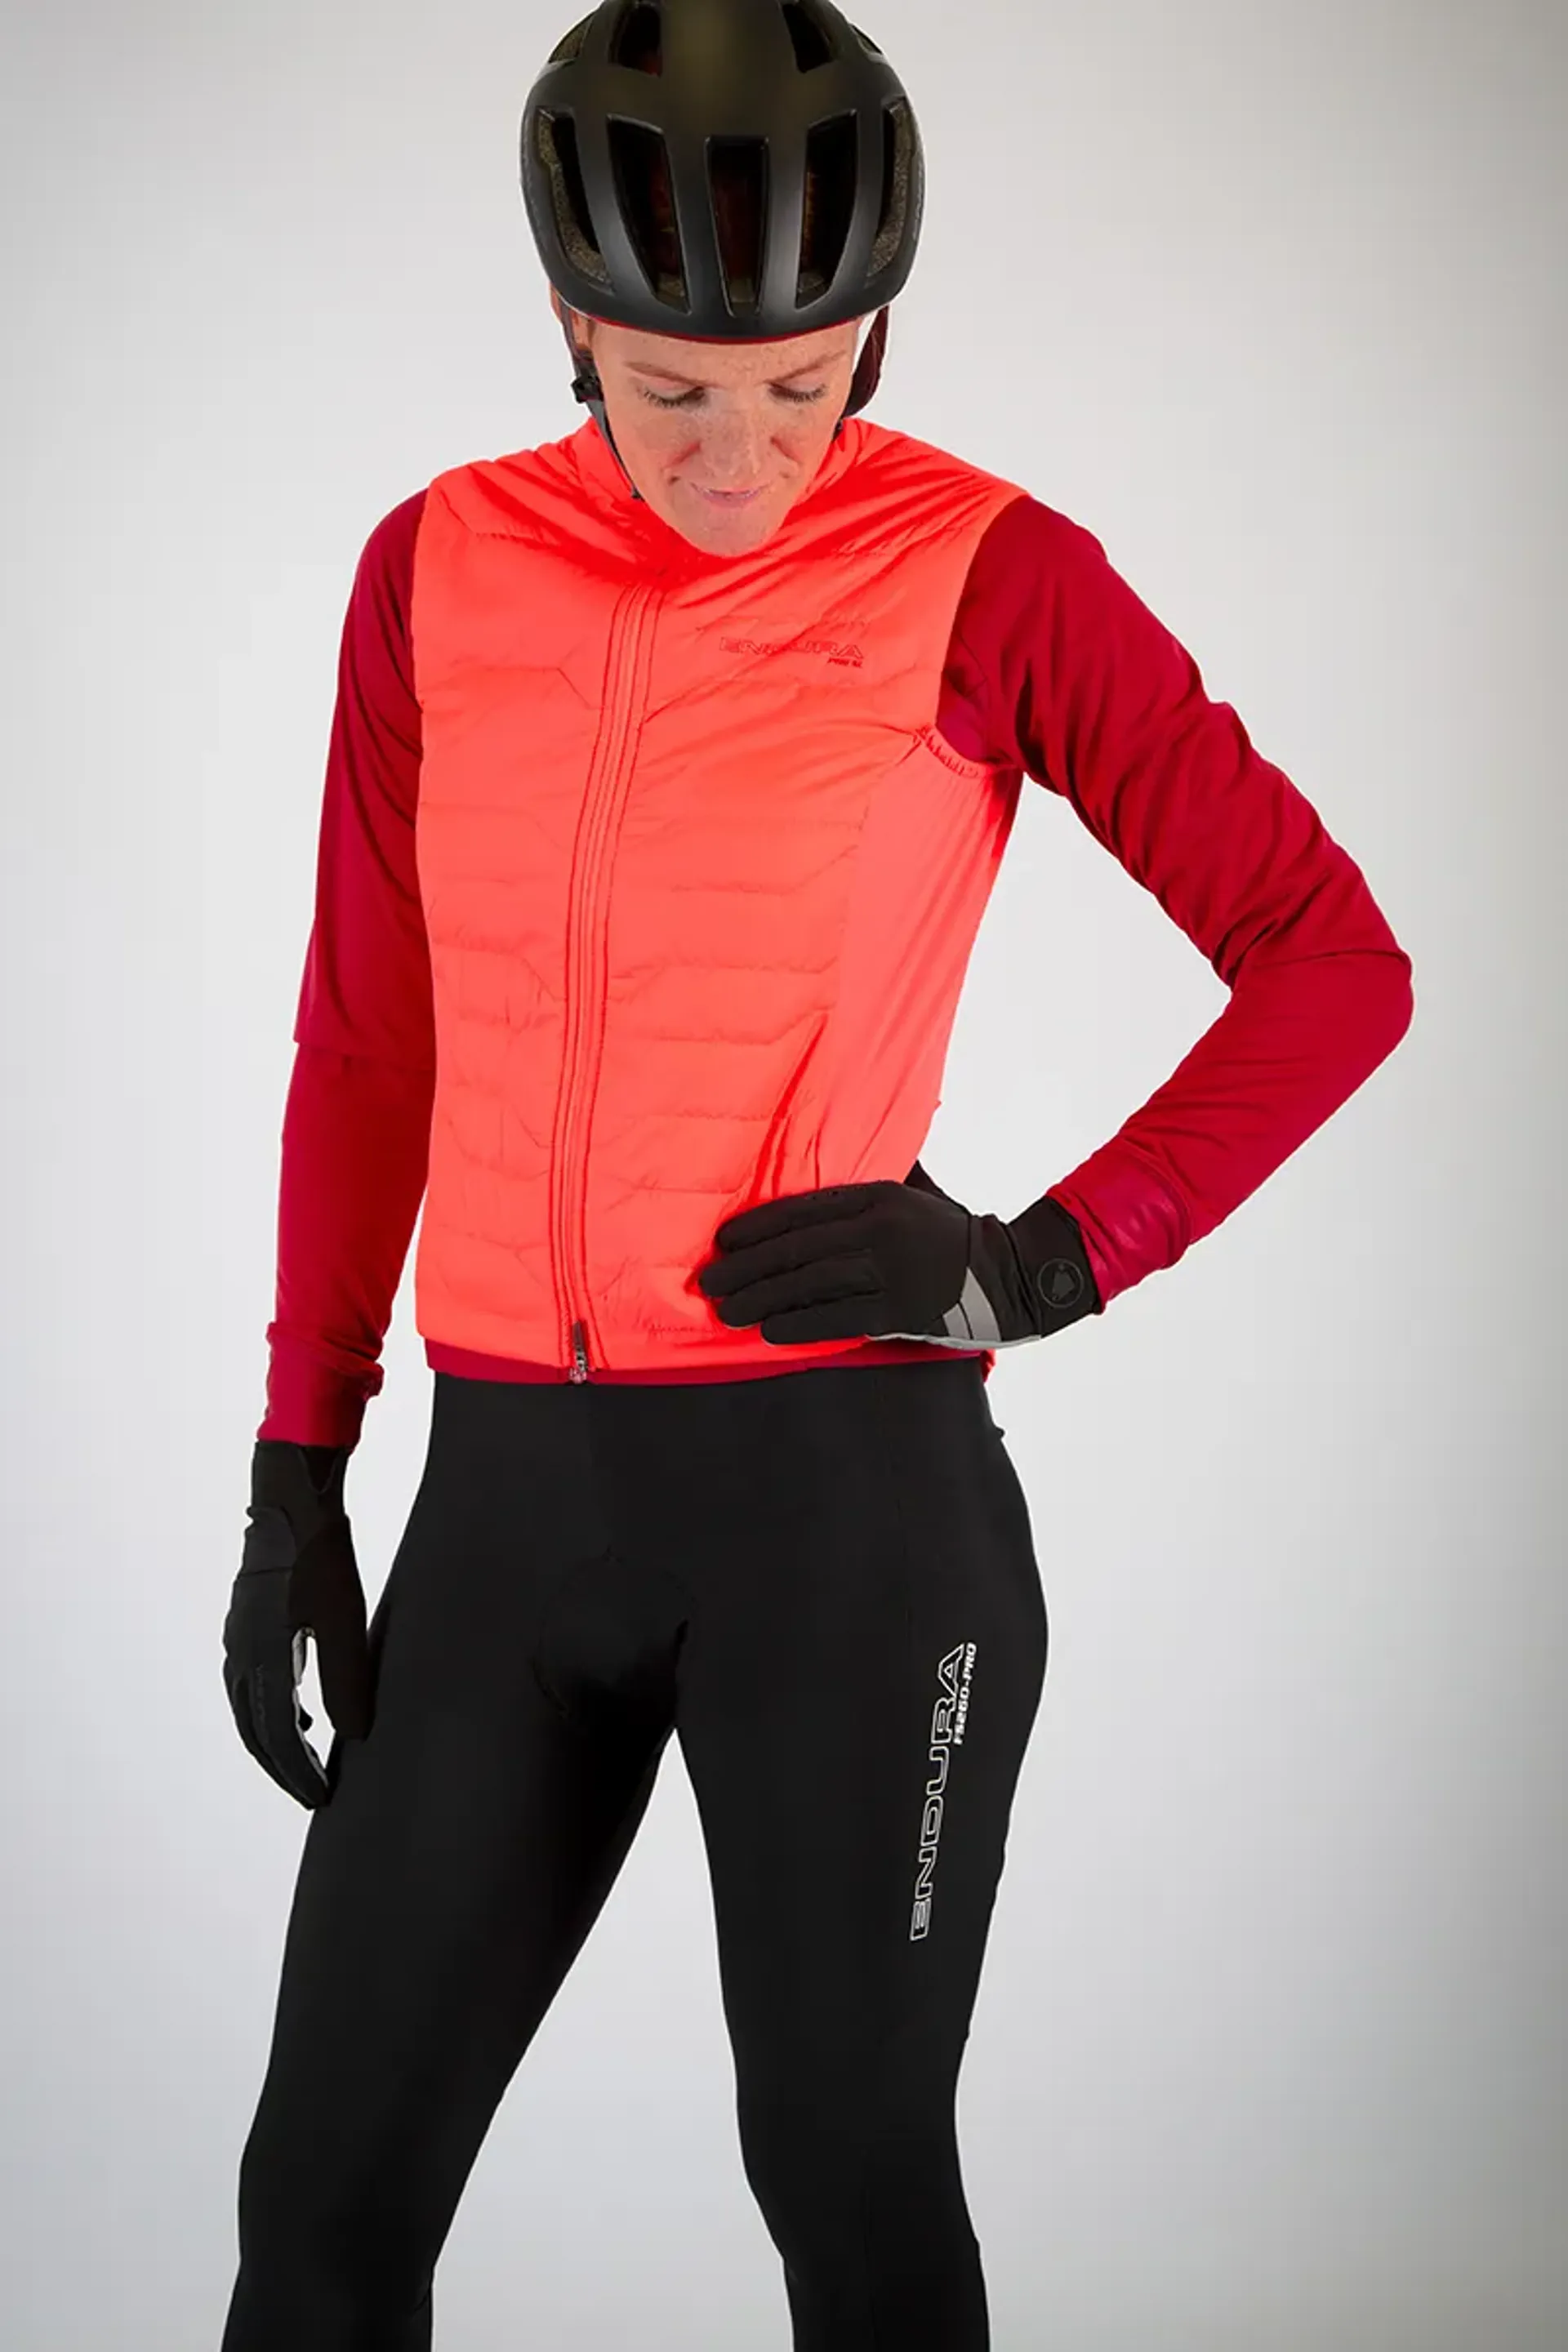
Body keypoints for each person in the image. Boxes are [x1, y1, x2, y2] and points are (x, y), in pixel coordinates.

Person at [218, 2, 1415, 2345]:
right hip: (505, 1505)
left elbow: (1331, 959)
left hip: (850, 1526)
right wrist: (296, 1460)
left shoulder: (993, 571)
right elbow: (370, 1038)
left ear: (880, 320)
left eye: (805, 380)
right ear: (572, 315)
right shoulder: (435, 569)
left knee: (849, 2187)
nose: (742, 451)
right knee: (322, 2205)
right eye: (673, 389)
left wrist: (1042, 1264)